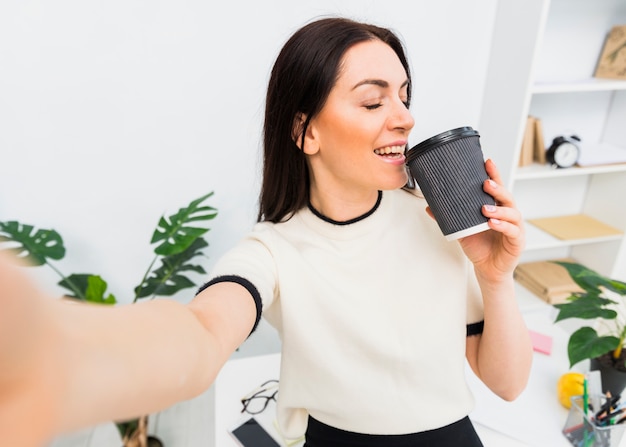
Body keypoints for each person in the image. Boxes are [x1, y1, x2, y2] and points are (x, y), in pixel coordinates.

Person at [0, 16, 532, 447]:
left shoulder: (439, 216)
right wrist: (47, 352)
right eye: (374, 101)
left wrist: (495, 276)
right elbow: (203, 335)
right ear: (305, 131)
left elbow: (507, 384)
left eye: (404, 96)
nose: (404, 117)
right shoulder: (274, 250)